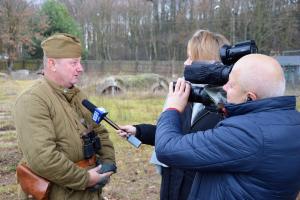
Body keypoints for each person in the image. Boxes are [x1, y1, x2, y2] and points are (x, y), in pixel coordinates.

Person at [155, 54, 300, 200]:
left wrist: (172, 108)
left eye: (231, 85)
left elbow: (166, 148)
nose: (224, 87)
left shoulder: (246, 134)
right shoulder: (293, 122)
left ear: (249, 97)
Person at [117, 29, 230, 200]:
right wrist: (139, 131)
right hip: (173, 186)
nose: (185, 63)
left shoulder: (226, 109)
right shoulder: (188, 96)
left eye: (191, 58)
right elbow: (175, 137)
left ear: (210, 63)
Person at [14, 33, 116, 200]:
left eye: (80, 62)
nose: (80, 68)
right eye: (73, 62)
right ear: (52, 64)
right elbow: (43, 158)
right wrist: (86, 179)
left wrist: (107, 164)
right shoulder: (32, 100)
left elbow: (101, 132)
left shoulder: (78, 95)